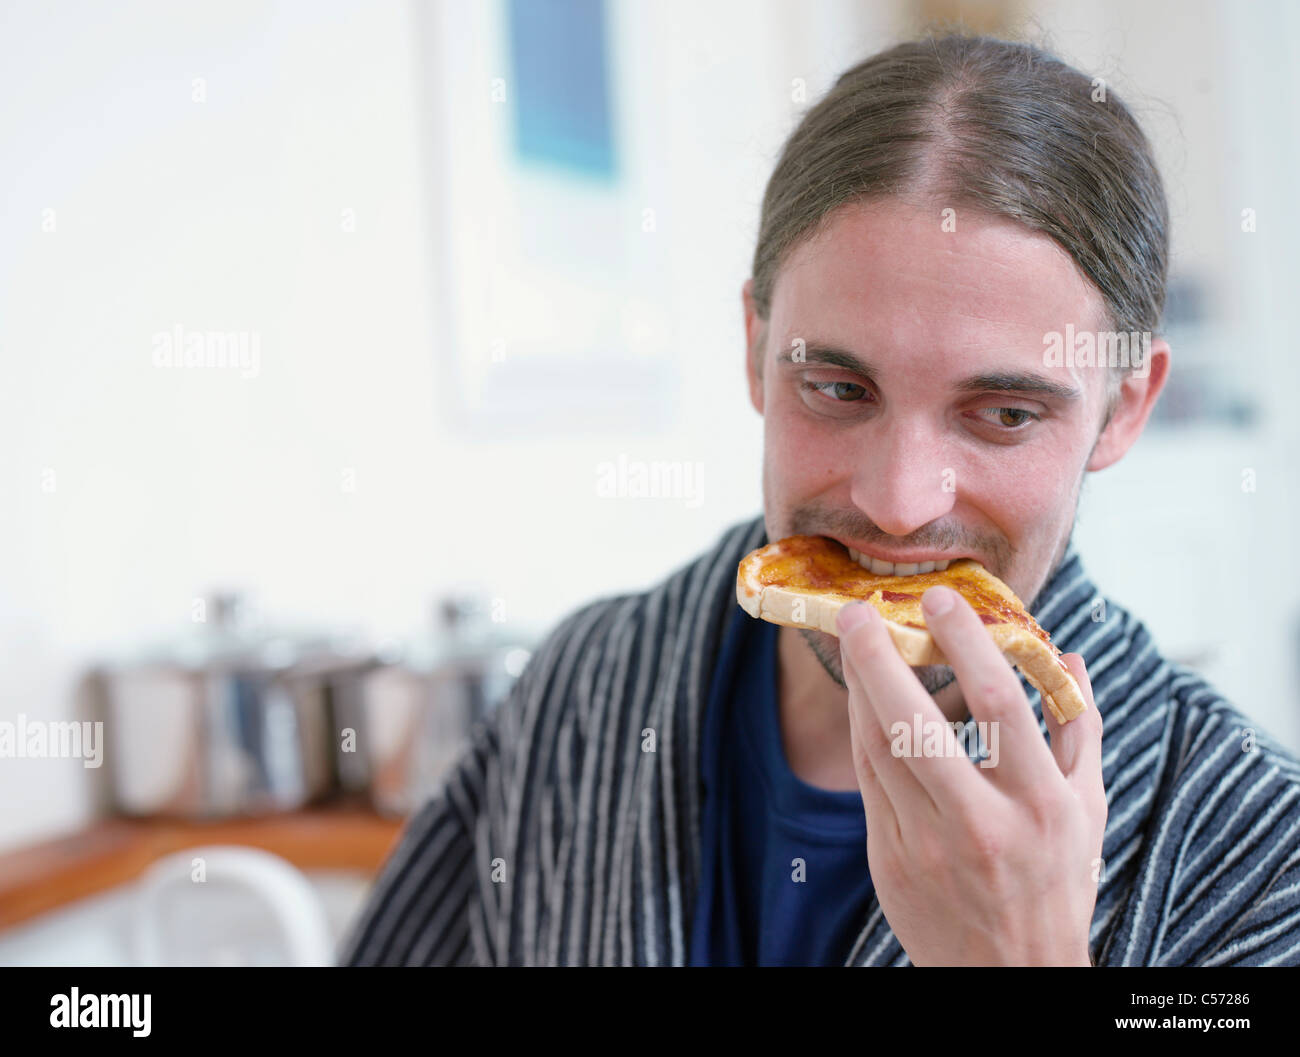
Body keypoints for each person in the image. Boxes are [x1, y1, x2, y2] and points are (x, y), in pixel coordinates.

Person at [340, 33, 1300, 967]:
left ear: (1123, 408)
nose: (896, 504)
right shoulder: (582, 687)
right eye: (839, 390)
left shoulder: (1257, 856)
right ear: (757, 346)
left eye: (1003, 412)